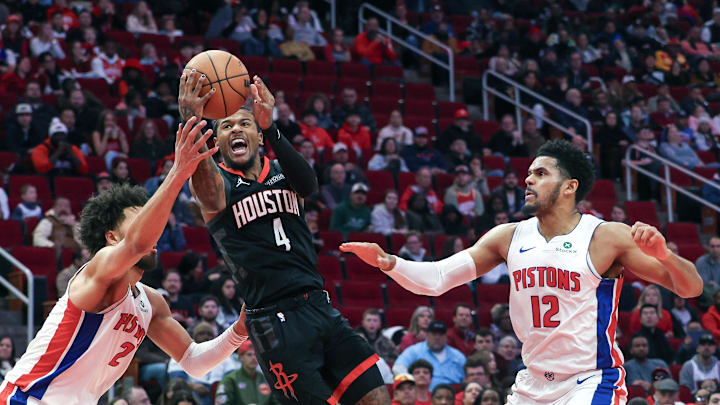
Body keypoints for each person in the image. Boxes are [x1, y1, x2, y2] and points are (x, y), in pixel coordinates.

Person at [341, 139, 703, 404]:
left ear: (569, 187)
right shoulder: (509, 236)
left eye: (541, 173)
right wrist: (389, 262)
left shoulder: (605, 236)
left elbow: (690, 289)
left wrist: (666, 256)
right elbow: (437, 280)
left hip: (589, 381)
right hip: (531, 383)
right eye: (529, 173)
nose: (528, 179)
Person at [0, 119, 249, 403]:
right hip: (26, 398)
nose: (156, 232)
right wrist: (179, 172)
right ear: (112, 237)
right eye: (139, 221)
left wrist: (239, 331)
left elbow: (193, 361)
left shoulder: (151, 302)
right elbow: (138, 242)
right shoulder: (100, 269)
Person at [177, 73, 389, 403]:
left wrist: (271, 126)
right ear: (217, 142)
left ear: (258, 136)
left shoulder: (282, 169)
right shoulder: (216, 184)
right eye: (226, 126)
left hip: (317, 305)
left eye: (245, 124)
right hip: (272, 322)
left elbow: (309, 186)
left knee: (376, 396)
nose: (236, 129)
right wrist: (192, 118)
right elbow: (202, 184)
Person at [393, 321, 467, 390]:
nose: (437, 337)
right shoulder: (414, 351)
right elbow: (397, 368)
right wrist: (411, 383)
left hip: (452, 397)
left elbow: (468, 377)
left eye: (440, 334)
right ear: (427, 335)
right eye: (434, 334)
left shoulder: (458, 356)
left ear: (446, 337)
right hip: (422, 396)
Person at [214, 341, 277, 405]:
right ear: (241, 357)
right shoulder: (230, 380)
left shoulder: (265, 379)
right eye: (249, 354)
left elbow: (276, 402)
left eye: (256, 355)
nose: (253, 358)